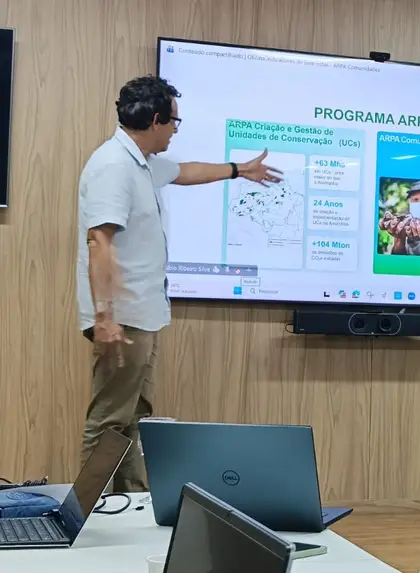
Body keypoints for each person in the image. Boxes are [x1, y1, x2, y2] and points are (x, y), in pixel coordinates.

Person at [76, 75, 282, 492]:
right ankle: (89, 510)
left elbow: (185, 172)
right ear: (155, 120)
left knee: (134, 414)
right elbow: (99, 240)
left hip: (141, 313)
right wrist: (105, 316)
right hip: (122, 316)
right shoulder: (114, 166)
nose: (175, 130)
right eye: (174, 122)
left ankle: (130, 500)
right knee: (110, 418)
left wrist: (238, 170)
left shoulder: (141, 162)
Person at [378, 180, 420, 256]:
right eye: (415, 200)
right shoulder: (401, 221)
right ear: (409, 201)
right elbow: (395, 255)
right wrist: (400, 239)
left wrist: (417, 242)